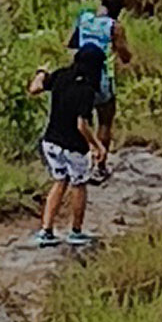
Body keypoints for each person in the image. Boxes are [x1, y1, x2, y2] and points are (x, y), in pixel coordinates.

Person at [32, 45, 110, 248]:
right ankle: (76, 231)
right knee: (79, 185)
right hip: (73, 146)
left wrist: (41, 73)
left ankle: (46, 230)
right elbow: (81, 125)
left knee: (59, 182)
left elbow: (34, 89)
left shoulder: (61, 75)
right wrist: (97, 146)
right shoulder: (87, 90)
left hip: (51, 141)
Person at [73, 0, 133, 149]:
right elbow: (124, 55)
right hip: (102, 76)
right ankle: (100, 162)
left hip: (79, 75)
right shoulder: (114, 26)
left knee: (81, 119)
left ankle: (83, 156)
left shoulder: (84, 18)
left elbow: (71, 43)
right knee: (105, 120)